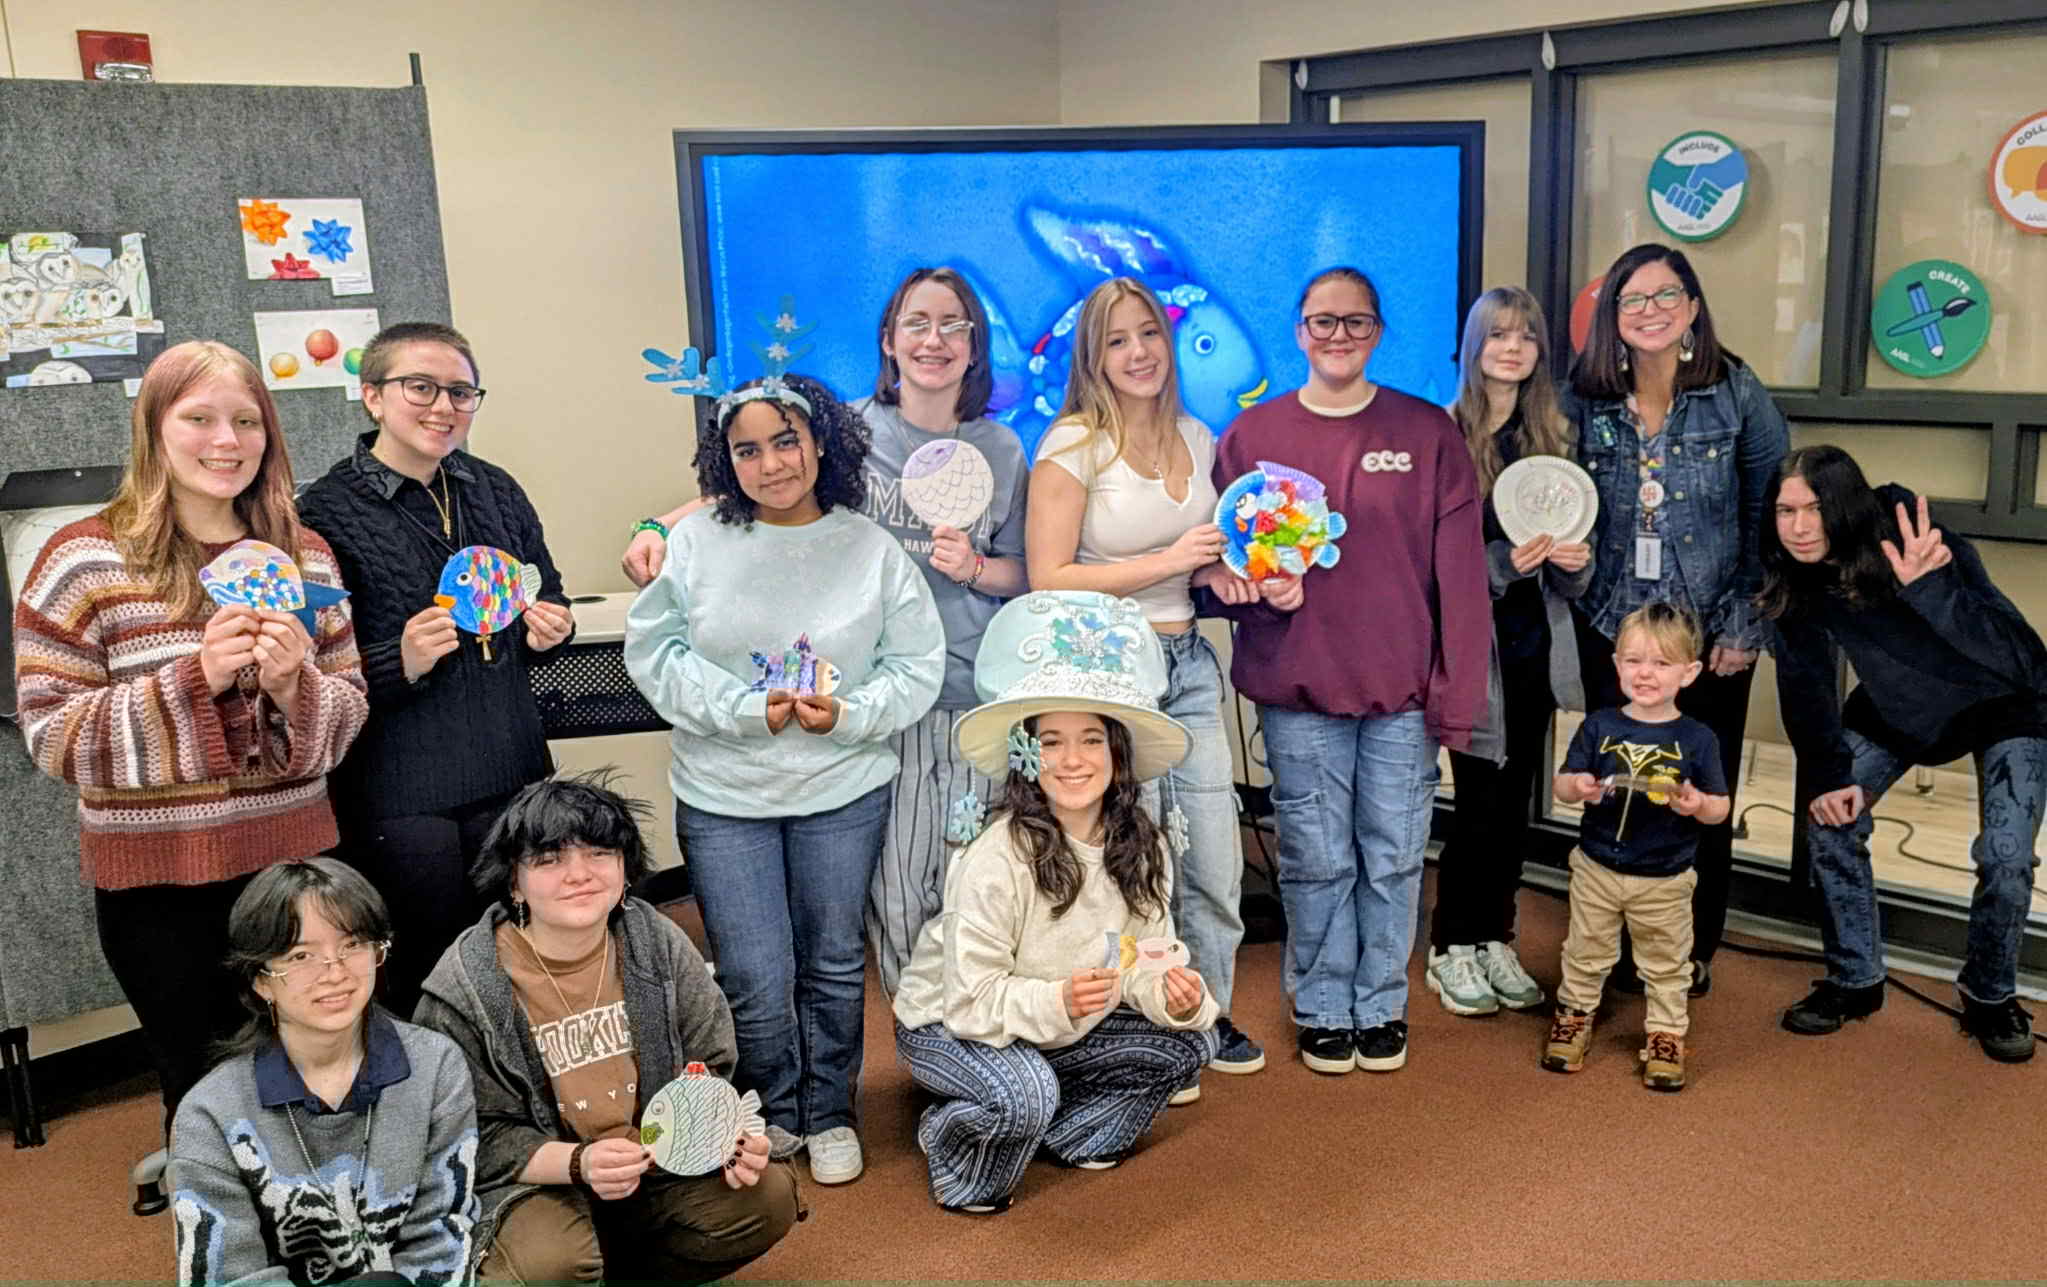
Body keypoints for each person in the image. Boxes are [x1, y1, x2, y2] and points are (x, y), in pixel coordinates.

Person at [621, 268, 1030, 1003]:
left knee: (978, 877)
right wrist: (656, 526)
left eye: (953, 324)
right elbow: (747, 478)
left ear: (975, 344)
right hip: (861, 705)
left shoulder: (1001, 450)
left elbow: (1023, 570)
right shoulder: (848, 428)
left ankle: (982, 1030)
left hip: (968, 683)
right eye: (915, 322)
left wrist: (973, 566)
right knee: (894, 898)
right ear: (888, 339)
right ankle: (923, 1044)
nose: (933, 339)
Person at [14, 340, 368, 1135]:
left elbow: (347, 715)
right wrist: (190, 682)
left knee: (314, 1071)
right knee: (204, 1091)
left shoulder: (303, 556)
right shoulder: (81, 560)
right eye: (199, 418)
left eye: (247, 420)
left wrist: (294, 688)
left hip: (291, 871)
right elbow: (52, 733)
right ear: (154, 429)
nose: (226, 441)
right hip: (158, 884)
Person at [624, 372, 945, 1185]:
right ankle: (773, 1104)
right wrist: (740, 706)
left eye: (786, 441)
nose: (770, 463)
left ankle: (831, 1109)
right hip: (725, 796)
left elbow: (916, 666)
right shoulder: (694, 543)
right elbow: (654, 652)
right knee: (754, 971)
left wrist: (853, 712)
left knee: (834, 961)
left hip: (841, 789)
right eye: (747, 449)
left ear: (821, 442)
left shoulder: (868, 548)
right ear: (723, 461)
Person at [1207, 266, 1489, 1075]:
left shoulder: (1426, 431)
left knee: (1394, 852)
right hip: (1298, 690)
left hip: (1401, 694)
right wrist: (1254, 592)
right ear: (1297, 331)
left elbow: (1460, 577)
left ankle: (1380, 1003)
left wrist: (1456, 695)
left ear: (1377, 333)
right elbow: (1223, 574)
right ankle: (1323, 1002)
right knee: (1314, 855)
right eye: (1321, 322)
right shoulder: (1251, 439)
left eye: (1355, 323)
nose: (1337, 336)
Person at [893, 590, 1219, 1213]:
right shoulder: (997, 856)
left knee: (1191, 1041)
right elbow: (969, 1001)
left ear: (1116, 754)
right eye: (1051, 741)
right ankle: (951, 1134)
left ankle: (1063, 1129)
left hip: (1055, 1021)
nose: (1073, 760)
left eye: (1092, 740)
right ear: (1025, 755)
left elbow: (1143, 960)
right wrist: (1058, 1000)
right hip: (948, 1022)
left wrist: (1172, 992)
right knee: (1024, 1094)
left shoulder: (1140, 845)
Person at [412, 774, 801, 1282]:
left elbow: (709, 1064)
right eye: (550, 860)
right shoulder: (465, 987)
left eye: (599, 853)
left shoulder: (654, 940)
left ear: (625, 869)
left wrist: (725, 1136)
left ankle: (619, 1267)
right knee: (551, 1265)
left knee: (767, 1196)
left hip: (650, 1165)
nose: (579, 874)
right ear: (514, 882)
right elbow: (468, 1137)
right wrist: (580, 1164)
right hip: (540, 1180)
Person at [1025, 275, 1264, 1088]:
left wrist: (1218, 580)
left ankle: (1205, 1016)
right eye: (1116, 340)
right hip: (1105, 675)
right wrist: (1170, 562)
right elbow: (1046, 576)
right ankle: (1142, 1026)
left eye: (1148, 334)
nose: (1137, 353)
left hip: (1189, 662)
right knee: (1135, 861)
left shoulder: (1200, 438)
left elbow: (1206, 559)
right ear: (1092, 357)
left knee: (1213, 859)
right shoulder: (1070, 446)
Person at [298, 322, 575, 1019]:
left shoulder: (494, 489)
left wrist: (552, 625)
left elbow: (550, 589)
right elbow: (312, 669)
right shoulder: (322, 512)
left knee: (526, 953)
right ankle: (446, 1114)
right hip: (402, 787)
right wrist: (400, 659)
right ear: (372, 396)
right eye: (420, 386)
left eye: (461, 391)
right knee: (427, 965)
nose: (442, 406)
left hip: (509, 762)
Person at [1763, 445, 2044, 1062]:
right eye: (1786, 511)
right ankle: (1855, 978)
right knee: (1828, 820)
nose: (1801, 526)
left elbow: (2021, 656)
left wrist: (1933, 588)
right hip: (1898, 706)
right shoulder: (1795, 574)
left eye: (1814, 508)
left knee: (2006, 858)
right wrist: (1827, 776)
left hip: (2004, 704)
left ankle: (1990, 994)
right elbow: (1805, 683)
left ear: (1844, 503)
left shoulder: (1912, 532)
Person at [1566, 242, 1790, 998]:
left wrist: (1742, 625)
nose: (1651, 311)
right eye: (1633, 299)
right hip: (1613, 625)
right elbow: (1556, 492)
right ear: (1611, 315)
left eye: (1667, 296)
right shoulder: (1585, 395)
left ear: (1692, 308)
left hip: (1708, 631)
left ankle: (1689, 943)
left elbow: (1769, 510)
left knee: (1697, 784)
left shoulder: (1734, 392)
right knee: (1622, 778)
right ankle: (1615, 933)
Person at [169, 859, 479, 1286]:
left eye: (352, 945)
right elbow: (228, 1278)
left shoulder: (436, 1067)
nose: (335, 973)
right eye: (301, 956)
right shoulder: (210, 1114)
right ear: (260, 980)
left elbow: (441, 1240)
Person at [1429, 286, 1592, 1018]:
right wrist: (1503, 565)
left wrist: (1571, 559)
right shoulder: (1443, 433)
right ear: (1473, 346)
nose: (1513, 348)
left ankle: (1496, 936)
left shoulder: (1555, 436)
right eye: (1498, 335)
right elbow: (1432, 558)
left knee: (1515, 804)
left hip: (1536, 650)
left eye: (1526, 336)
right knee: (1477, 804)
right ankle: (1449, 945)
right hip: (1474, 651)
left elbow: (1580, 566)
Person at [1543, 602, 1730, 1091]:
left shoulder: (1698, 738)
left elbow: (1720, 809)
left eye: (1662, 663)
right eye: (1634, 660)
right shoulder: (1600, 726)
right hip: (1596, 866)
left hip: (1665, 876)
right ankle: (1575, 1015)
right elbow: (1562, 785)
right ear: (1616, 663)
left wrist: (1695, 805)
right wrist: (1577, 786)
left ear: (1688, 673)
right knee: (1585, 950)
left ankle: (1667, 1033)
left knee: (1668, 961)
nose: (1645, 673)